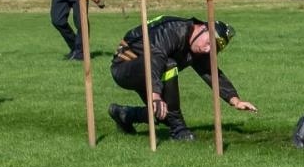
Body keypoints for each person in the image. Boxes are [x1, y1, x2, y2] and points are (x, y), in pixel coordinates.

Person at [106, 16, 256, 141]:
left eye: (214, 49)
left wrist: (235, 100)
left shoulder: (198, 45)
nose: (208, 49)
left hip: (152, 71)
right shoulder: (174, 30)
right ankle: (178, 130)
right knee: (169, 65)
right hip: (125, 67)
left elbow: (210, 72)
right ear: (202, 28)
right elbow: (155, 59)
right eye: (209, 43)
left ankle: (125, 114)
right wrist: (155, 95)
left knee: (164, 114)